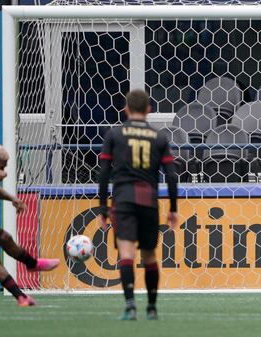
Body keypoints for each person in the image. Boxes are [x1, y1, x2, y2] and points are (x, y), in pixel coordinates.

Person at [98, 89, 179, 321]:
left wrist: (102, 208)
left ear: (125, 109)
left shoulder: (115, 134)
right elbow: (172, 176)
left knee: (126, 254)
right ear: (148, 111)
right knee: (150, 255)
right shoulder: (159, 137)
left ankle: (130, 306)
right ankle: (152, 308)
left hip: (123, 200)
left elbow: (103, 174)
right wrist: (173, 208)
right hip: (148, 200)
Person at [0, 144, 59, 306]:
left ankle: (21, 297)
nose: (4, 170)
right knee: (4, 237)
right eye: (1, 166)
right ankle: (32, 264)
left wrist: (12, 199)